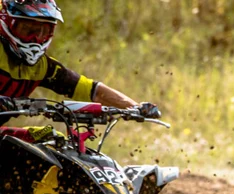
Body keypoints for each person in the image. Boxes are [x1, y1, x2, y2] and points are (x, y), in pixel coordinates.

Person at [0, 0, 160, 141]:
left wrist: (135, 107)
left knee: (51, 138)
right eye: (27, 30)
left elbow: (93, 90)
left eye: (42, 31)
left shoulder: (43, 68)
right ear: (6, 21)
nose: (35, 39)